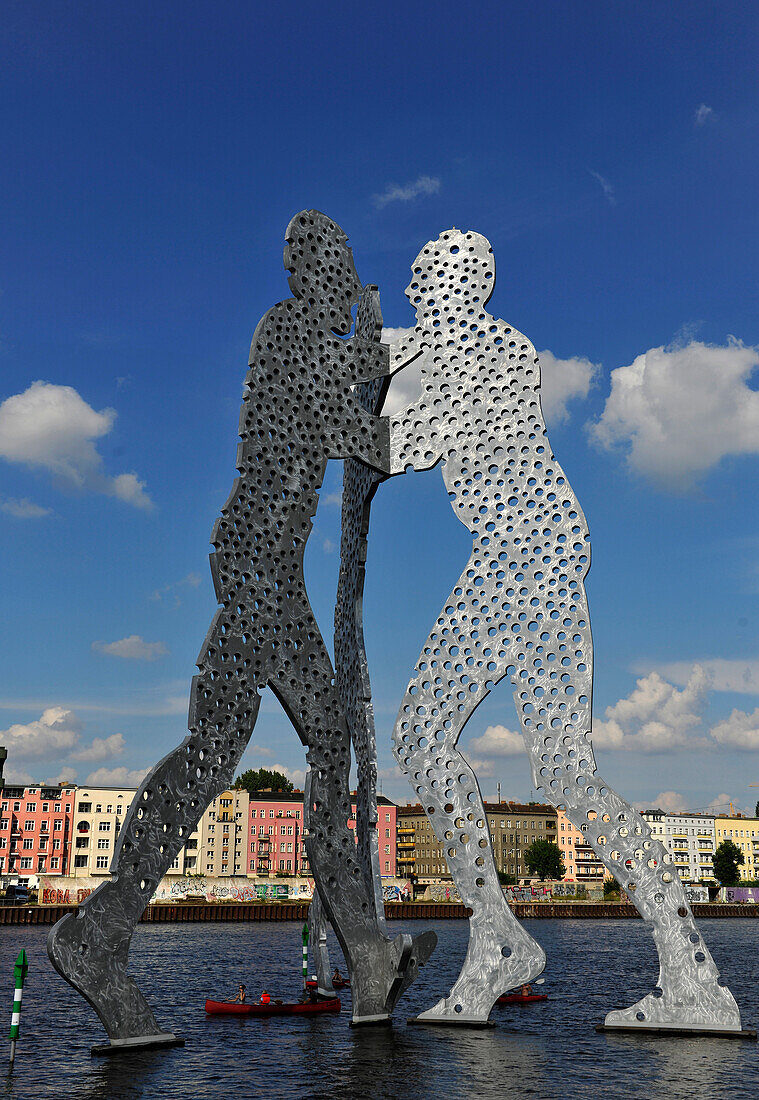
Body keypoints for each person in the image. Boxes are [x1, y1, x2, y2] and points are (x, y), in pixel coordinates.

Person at [47, 210, 435, 1040]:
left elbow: (343, 418)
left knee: (218, 753)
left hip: (266, 572)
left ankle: (106, 937)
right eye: (336, 268)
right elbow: (356, 434)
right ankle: (359, 955)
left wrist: (371, 362)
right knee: (300, 750)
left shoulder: (301, 336)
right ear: (307, 274)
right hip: (260, 573)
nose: (344, 283)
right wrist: (407, 396)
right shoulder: (288, 329)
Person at [385, 227, 742, 1032]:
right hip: (545, 551)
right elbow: (401, 347)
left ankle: (498, 938)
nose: (409, 294)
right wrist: (370, 353)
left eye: (419, 280)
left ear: (456, 285)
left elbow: (402, 444)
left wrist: (329, 405)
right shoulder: (469, 344)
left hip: (518, 556)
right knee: (563, 771)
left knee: (418, 734)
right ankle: (689, 975)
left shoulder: (487, 353)